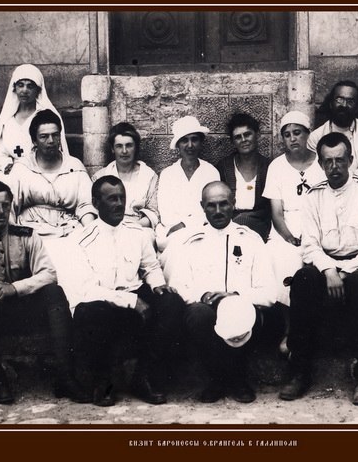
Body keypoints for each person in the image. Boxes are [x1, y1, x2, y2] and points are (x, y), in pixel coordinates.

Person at [0, 181, 89, 404]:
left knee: (54, 292)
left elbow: (48, 273)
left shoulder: (27, 235)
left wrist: (15, 288)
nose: (1, 211)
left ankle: (66, 377)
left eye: (5, 205)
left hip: (23, 309)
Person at [279, 133, 358, 405]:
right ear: (320, 164)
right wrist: (329, 271)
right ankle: (299, 370)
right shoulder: (313, 196)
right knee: (303, 278)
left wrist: (344, 272)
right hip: (326, 264)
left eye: (340, 160)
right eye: (328, 162)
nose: (334, 167)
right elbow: (310, 245)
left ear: (351, 159)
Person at [70, 176, 185, 406]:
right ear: (96, 203)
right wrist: (131, 301)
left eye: (122, 198)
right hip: (101, 304)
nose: (119, 204)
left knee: (172, 302)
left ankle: (143, 376)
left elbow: (150, 267)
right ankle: (103, 382)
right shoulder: (80, 239)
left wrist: (157, 285)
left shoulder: (136, 232)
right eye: (112, 199)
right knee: (91, 312)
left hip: (132, 299)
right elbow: (86, 290)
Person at [167, 181, 278, 403]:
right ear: (202, 206)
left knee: (239, 312)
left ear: (233, 204)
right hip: (206, 310)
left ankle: (237, 379)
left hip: (243, 309)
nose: (218, 211)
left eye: (224, 204)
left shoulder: (250, 239)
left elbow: (269, 293)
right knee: (199, 315)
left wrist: (235, 296)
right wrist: (204, 296)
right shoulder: (190, 242)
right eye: (211, 205)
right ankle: (218, 379)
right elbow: (178, 285)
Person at [0, 109, 96, 306]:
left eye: (55, 135)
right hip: (34, 232)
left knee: (82, 263)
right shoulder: (22, 168)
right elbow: (11, 206)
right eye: (44, 136)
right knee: (53, 263)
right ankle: (65, 308)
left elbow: (85, 204)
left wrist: (90, 233)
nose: (50, 141)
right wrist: (13, 239)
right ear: (34, 140)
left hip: (69, 230)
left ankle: (83, 306)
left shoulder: (74, 166)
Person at [263, 111, 327, 307]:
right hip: (286, 228)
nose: (292, 138)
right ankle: (285, 314)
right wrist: (289, 237)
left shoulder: (322, 162)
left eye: (297, 133)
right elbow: (276, 213)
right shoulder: (276, 166)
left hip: (319, 224)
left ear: (308, 134)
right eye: (287, 134)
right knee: (280, 256)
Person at [0, 64, 69, 171]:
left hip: (41, 170)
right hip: (12, 172)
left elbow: (56, 148)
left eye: (30, 86)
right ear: (14, 88)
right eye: (20, 85)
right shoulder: (8, 120)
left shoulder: (46, 118)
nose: (24, 90)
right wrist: (6, 164)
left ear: (38, 90)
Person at [155, 116, 220, 251]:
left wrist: (186, 224)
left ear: (200, 142)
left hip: (203, 229)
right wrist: (179, 227)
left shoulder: (211, 172)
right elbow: (165, 212)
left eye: (194, 139)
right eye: (184, 140)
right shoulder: (167, 174)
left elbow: (213, 208)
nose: (190, 145)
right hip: (172, 231)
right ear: (178, 144)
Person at [307, 80, 358, 188]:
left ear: (357, 107)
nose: (344, 105)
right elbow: (314, 175)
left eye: (350, 101)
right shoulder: (315, 137)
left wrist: (344, 185)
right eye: (339, 99)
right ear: (331, 103)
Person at [215, 113, 271, 241]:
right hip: (229, 225)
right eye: (238, 137)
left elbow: (270, 208)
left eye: (247, 134)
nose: (243, 140)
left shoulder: (268, 167)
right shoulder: (224, 167)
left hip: (260, 226)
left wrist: (245, 219)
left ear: (257, 135)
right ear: (233, 142)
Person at [93, 122, 159, 230]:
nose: (124, 151)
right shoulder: (100, 176)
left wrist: (131, 227)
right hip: (107, 228)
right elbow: (94, 209)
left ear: (135, 147)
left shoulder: (149, 176)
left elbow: (154, 212)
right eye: (119, 146)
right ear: (112, 149)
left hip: (138, 228)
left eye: (129, 145)